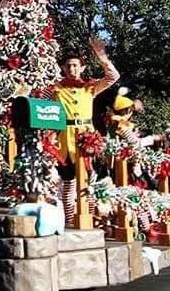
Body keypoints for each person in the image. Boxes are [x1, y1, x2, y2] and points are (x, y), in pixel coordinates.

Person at [43, 37, 120, 225]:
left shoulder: (90, 87)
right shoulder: (54, 88)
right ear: (63, 68)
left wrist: (102, 57)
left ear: (82, 68)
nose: (72, 69)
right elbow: (40, 105)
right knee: (68, 184)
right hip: (64, 140)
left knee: (89, 183)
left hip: (88, 139)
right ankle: (69, 221)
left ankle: (90, 219)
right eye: (68, 66)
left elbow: (113, 77)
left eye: (75, 66)